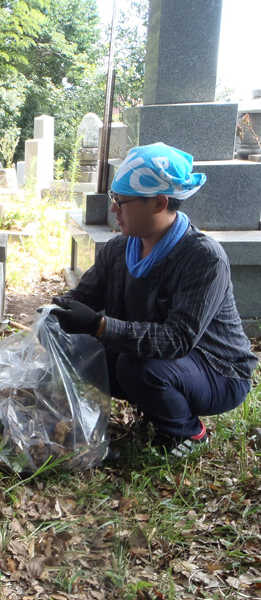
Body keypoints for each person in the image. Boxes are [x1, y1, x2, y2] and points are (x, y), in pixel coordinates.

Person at [50, 143, 257, 459]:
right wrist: (55, 314)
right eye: (113, 199)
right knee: (77, 347)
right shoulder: (120, 249)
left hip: (217, 371)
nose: (114, 209)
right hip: (161, 363)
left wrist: (99, 325)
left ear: (159, 203)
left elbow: (178, 339)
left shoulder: (203, 258)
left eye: (121, 201)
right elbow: (81, 297)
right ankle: (155, 405)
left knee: (137, 368)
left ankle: (187, 431)